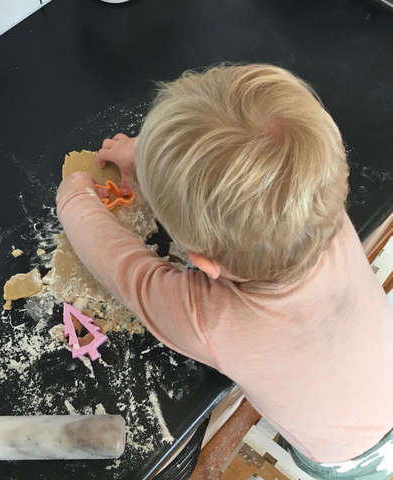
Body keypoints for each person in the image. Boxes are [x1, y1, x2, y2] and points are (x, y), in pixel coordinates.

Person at [56, 64, 393, 479]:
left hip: (347, 456)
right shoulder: (321, 207)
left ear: (204, 264)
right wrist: (148, 156)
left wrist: (74, 197)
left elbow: (125, 270)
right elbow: (254, 171)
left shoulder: (211, 322)